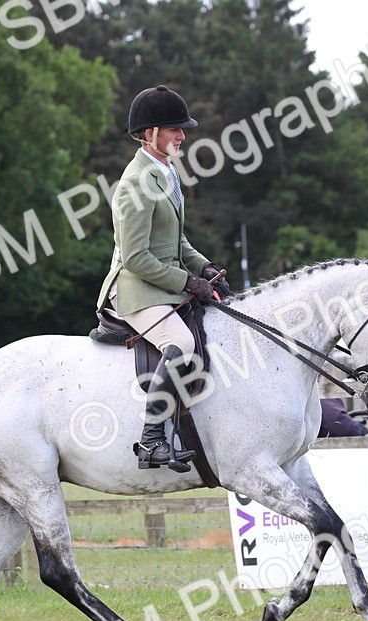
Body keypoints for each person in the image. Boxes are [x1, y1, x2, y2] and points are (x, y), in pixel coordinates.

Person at [95, 85, 230, 471]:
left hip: (161, 283)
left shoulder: (165, 173)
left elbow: (176, 238)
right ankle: (152, 439)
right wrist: (188, 283)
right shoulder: (134, 184)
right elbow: (137, 258)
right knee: (182, 341)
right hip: (135, 289)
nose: (182, 136)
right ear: (149, 133)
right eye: (174, 129)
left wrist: (203, 268)